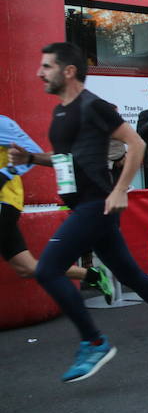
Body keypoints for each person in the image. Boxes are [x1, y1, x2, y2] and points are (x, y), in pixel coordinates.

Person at [8, 42, 148, 382]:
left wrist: (119, 190)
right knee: (130, 276)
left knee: (48, 270)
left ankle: (94, 342)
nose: (40, 72)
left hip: (97, 204)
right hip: (85, 204)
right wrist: (31, 159)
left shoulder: (93, 106)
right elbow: (64, 160)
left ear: (68, 71)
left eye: (47, 66)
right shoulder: (61, 112)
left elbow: (137, 143)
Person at [1, 114, 113, 302]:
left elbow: (31, 151)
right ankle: (91, 275)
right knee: (26, 268)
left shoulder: (2, 123)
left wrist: (5, 174)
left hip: (4, 202)